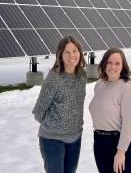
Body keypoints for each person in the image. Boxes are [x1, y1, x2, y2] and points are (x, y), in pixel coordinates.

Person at [32, 36, 87, 173]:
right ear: (60, 56)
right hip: (52, 140)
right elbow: (38, 111)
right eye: (67, 52)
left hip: (75, 138)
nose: (71, 56)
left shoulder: (82, 76)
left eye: (74, 51)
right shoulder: (54, 78)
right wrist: (55, 126)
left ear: (80, 52)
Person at [89, 47, 131, 173]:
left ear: (123, 66)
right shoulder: (100, 84)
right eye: (109, 62)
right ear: (104, 63)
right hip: (100, 142)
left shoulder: (127, 89)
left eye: (117, 63)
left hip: (121, 144)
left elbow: (129, 124)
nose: (113, 67)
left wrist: (121, 152)